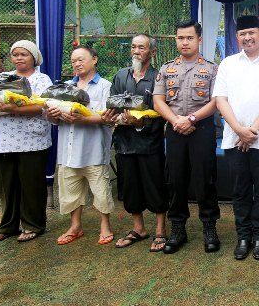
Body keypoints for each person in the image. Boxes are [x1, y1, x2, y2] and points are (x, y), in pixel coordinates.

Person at [214, 15, 259, 261]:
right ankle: (243, 236)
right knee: (240, 190)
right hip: (234, 139)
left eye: (252, 33)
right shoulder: (228, 64)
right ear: (237, 37)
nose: (247, 38)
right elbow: (220, 99)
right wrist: (239, 130)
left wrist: (251, 131)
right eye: (243, 34)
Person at [153, 20, 220, 254]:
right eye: (180, 38)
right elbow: (158, 101)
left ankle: (209, 228)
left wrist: (190, 119)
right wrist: (176, 121)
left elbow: (216, 102)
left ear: (199, 40)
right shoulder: (166, 69)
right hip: (174, 130)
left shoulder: (212, 69)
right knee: (175, 180)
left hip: (202, 130)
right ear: (176, 40)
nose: (185, 42)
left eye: (189, 38)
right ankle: (177, 229)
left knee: (205, 180)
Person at [0, 41, 52, 244]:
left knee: (31, 185)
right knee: (6, 185)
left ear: (34, 58)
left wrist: (13, 109)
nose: (18, 58)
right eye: (15, 54)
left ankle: (33, 225)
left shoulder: (41, 79)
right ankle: (8, 226)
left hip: (31, 141)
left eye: (23, 54)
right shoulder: (2, 77)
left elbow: (42, 107)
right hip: (2, 140)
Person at [101, 34, 168, 252]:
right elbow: (113, 104)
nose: (136, 51)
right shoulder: (121, 75)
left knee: (155, 185)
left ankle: (160, 229)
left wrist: (140, 123)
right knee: (129, 186)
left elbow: (161, 111)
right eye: (133, 47)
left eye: (141, 47)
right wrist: (114, 117)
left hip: (150, 144)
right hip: (124, 143)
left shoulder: (158, 77)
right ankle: (139, 228)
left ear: (152, 52)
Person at [46, 45, 114, 246]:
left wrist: (83, 118)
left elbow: (109, 118)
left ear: (94, 59)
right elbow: (53, 119)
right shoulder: (65, 87)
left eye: (81, 59)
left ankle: (105, 225)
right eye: (73, 61)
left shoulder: (105, 86)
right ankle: (75, 226)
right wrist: (52, 114)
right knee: (70, 191)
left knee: (101, 191)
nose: (77, 64)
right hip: (67, 150)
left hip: (93, 149)